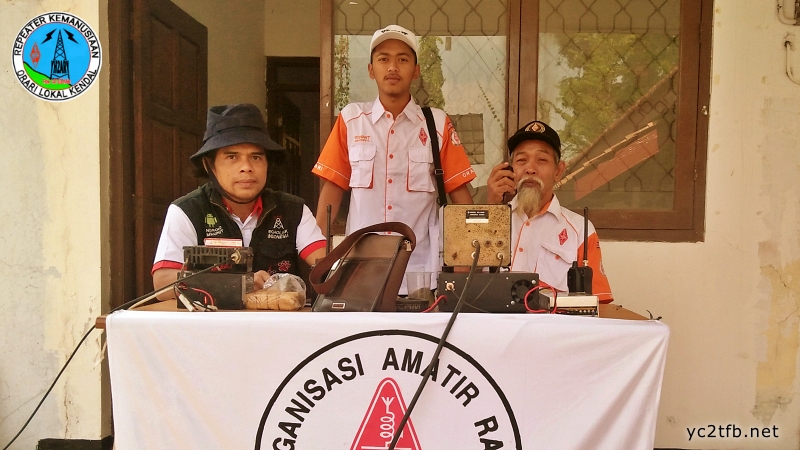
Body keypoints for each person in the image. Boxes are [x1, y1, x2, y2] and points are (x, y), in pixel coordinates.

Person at [312, 24, 476, 293]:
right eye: (383, 59)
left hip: (420, 274)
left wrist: (470, 257)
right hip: (359, 272)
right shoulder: (351, 120)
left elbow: (460, 197)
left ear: (416, 70)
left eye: (402, 59)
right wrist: (319, 256)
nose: (392, 67)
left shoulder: (436, 124)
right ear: (370, 69)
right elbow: (332, 189)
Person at [152, 103, 327, 299]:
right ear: (209, 164)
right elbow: (163, 284)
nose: (246, 167)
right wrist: (242, 283)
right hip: (212, 326)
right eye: (232, 157)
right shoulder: (187, 210)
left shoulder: (294, 210)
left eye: (256, 157)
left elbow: (329, 264)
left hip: (277, 326)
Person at [486, 120, 614, 303]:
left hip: (554, 329)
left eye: (542, 160)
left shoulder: (580, 230)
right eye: (521, 160)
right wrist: (490, 209)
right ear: (509, 169)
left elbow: (599, 303)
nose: (530, 169)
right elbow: (457, 285)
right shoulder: (485, 219)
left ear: (558, 171)